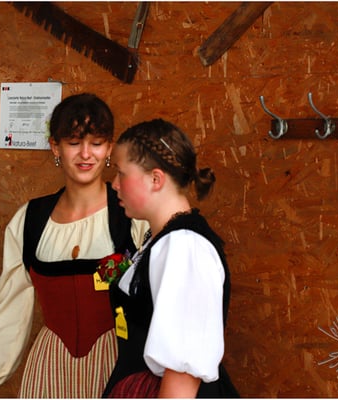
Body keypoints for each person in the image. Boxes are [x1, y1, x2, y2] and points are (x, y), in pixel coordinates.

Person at [0, 93, 149, 398]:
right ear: (55, 147)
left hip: (117, 365)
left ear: (109, 148)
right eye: (74, 142)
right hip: (50, 365)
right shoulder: (30, 220)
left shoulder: (132, 215)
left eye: (96, 143)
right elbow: (10, 309)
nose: (85, 154)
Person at [102, 118, 239, 398]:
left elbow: (182, 374)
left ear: (155, 179)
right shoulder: (163, 241)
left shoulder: (185, 247)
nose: (114, 184)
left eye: (121, 173)